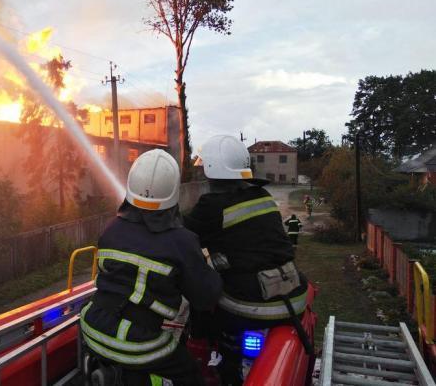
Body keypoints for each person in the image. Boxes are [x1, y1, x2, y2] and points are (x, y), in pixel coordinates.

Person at [80, 149, 223, 386]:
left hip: (92, 329)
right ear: (174, 193)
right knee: (191, 374)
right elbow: (205, 298)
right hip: (139, 343)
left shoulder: (111, 229)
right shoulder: (182, 241)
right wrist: (213, 268)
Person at [184, 135, 309, 385]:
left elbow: (181, 238)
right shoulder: (261, 194)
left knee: (200, 288)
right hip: (292, 295)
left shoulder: (212, 205)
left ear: (212, 170)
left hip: (252, 306)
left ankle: (218, 356)